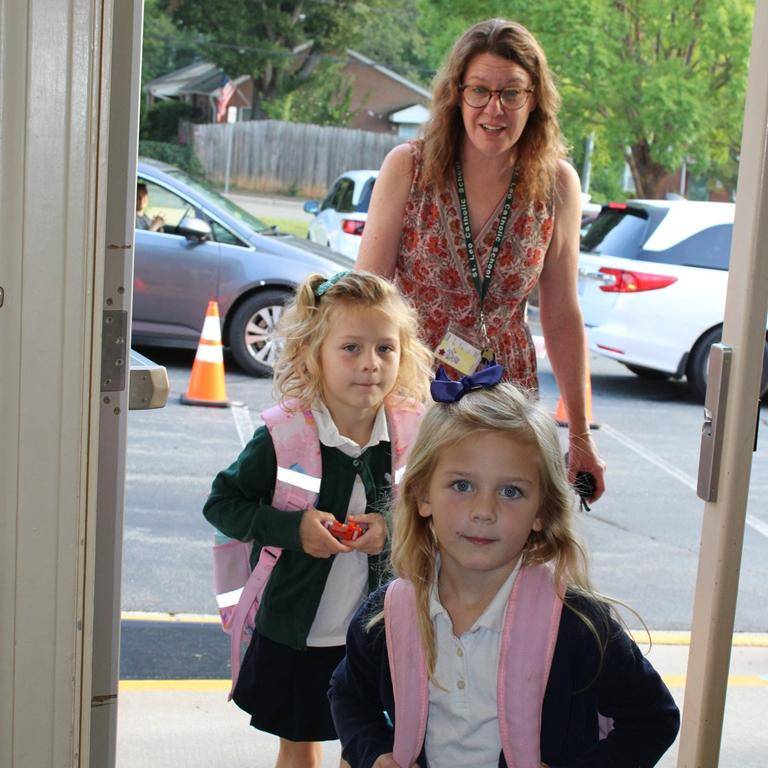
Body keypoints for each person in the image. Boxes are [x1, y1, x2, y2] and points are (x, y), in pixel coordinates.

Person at [329, 370, 680, 768]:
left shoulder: (578, 624)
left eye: (510, 491)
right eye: (462, 485)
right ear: (422, 494)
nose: (483, 512)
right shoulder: (386, 615)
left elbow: (653, 719)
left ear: (541, 512)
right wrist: (374, 755)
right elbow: (348, 695)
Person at [356, 18, 605, 501]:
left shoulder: (556, 185)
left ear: (534, 100)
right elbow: (368, 299)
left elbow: (561, 314)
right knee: (410, 540)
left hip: (508, 396)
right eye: (480, 91)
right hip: (414, 388)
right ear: (457, 95)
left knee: (496, 543)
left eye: (512, 93)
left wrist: (579, 436)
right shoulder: (409, 167)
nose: (495, 109)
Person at [203, 271, 432, 768]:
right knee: (298, 745)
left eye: (385, 349)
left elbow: (436, 515)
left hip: (378, 638)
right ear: (314, 354)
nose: (370, 364)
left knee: (370, 748)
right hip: (297, 636)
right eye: (351, 348)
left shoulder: (414, 437)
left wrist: (391, 530)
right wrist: (294, 529)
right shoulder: (282, 437)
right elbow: (222, 504)